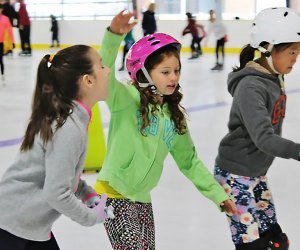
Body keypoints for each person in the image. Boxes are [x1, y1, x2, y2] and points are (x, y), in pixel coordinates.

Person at [95, 10, 236, 249]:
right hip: (114, 194)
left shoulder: (173, 117)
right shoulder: (125, 100)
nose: (173, 77)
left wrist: (218, 194)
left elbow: (189, 162)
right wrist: (113, 37)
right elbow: (102, 74)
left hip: (142, 198)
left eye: (176, 70)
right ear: (143, 73)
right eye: (165, 72)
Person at [0, 45, 114, 250]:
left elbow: (61, 172)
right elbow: (57, 192)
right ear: (88, 80)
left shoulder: (72, 119)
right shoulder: (68, 127)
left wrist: (85, 193)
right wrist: (91, 218)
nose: (108, 71)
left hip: (31, 225)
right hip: (11, 224)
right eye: (102, 66)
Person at [213, 7, 300, 250]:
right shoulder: (251, 86)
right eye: (292, 51)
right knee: (253, 246)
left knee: (275, 240)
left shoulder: (273, 76)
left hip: (255, 172)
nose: (296, 58)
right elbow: (264, 138)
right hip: (235, 174)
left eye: (298, 51)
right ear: (267, 48)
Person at [0, 3, 14, 85]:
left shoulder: (6, 19)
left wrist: (12, 42)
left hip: (1, 43)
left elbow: (10, 31)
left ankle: (2, 74)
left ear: (2, 9)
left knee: (1, 59)